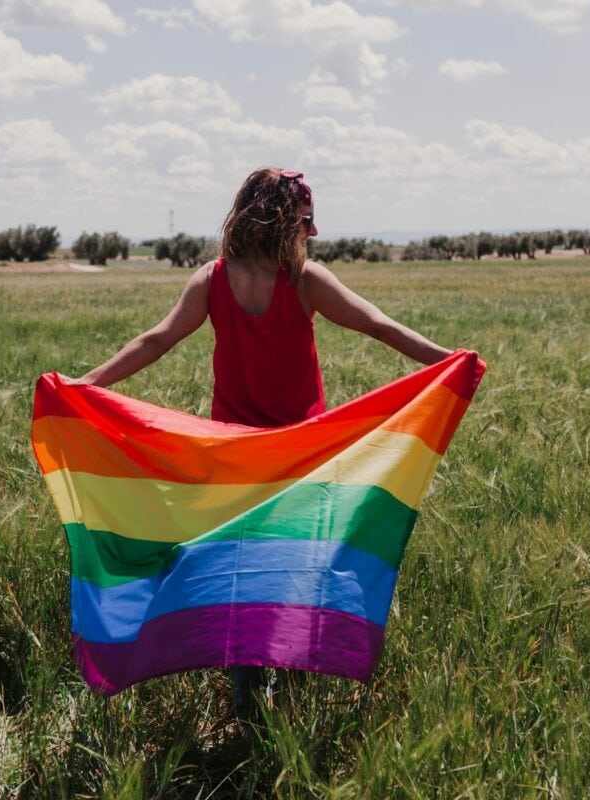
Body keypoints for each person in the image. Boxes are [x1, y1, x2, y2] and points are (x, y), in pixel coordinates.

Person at [76, 167, 453, 720]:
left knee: (240, 568)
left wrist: (85, 387)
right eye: (305, 220)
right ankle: (287, 672)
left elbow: (155, 341)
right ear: (278, 221)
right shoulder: (306, 281)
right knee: (298, 561)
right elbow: (379, 326)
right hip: (300, 454)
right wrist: (450, 362)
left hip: (232, 456)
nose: (315, 232)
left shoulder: (212, 279)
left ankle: (246, 685)